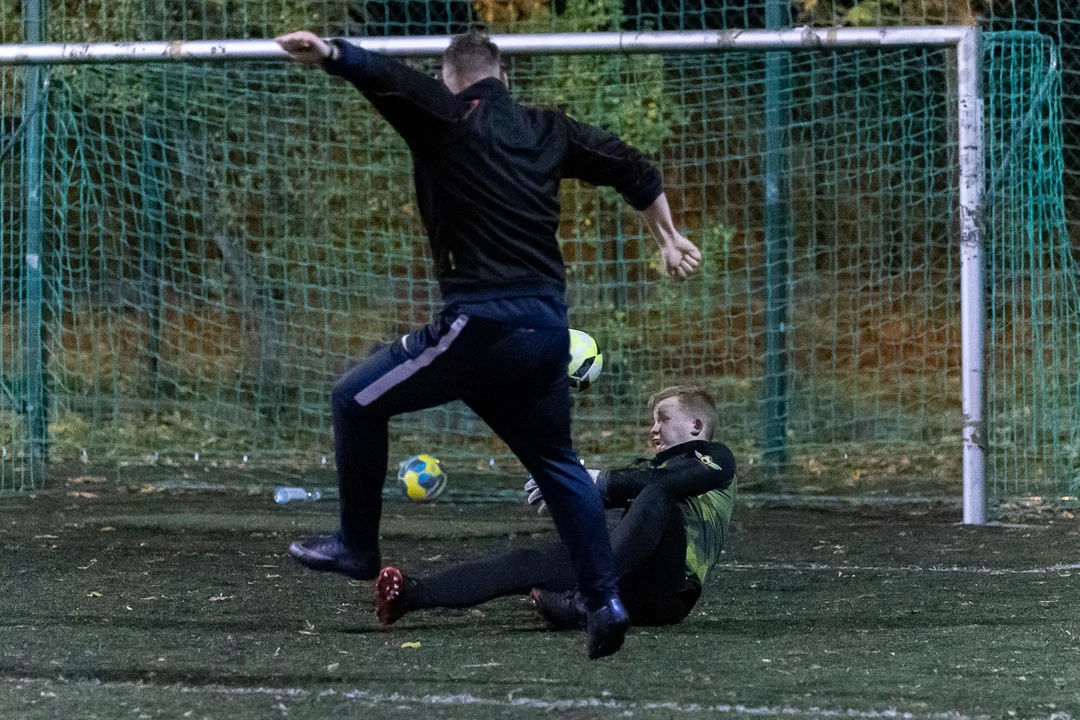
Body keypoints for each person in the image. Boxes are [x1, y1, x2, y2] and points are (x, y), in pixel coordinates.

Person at [275, 28, 702, 659]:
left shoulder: (446, 114)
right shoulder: (545, 128)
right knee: (558, 465)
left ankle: (357, 544)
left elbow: (387, 79)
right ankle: (605, 600)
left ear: (453, 78)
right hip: (547, 335)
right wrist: (666, 237)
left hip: (480, 327)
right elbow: (634, 166)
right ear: (504, 78)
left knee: (353, 400)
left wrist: (334, 53)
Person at [374, 385, 736, 631]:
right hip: (626, 584)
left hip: (667, 595)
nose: (653, 429)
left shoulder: (716, 458)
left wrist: (597, 481)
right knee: (527, 561)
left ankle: (585, 602)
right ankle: (410, 595)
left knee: (658, 496)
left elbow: (658, 487)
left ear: (696, 425)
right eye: (653, 421)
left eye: (664, 419)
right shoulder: (647, 471)